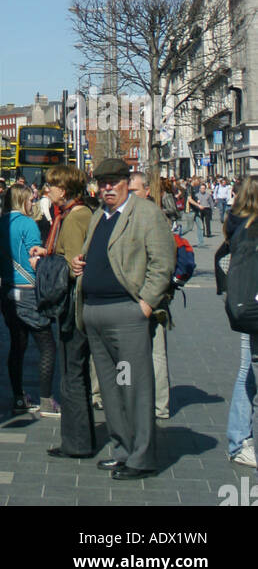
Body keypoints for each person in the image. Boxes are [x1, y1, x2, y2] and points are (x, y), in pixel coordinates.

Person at [72, 156, 176, 479]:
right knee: (112, 388)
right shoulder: (98, 217)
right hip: (95, 315)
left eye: (113, 184)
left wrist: (144, 306)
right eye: (102, 185)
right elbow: (93, 256)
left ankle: (141, 457)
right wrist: (79, 266)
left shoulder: (145, 214)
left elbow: (163, 263)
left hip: (127, 315)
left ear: (126, 183)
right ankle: (121, 449)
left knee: (135, 387)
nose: (107, 189)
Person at [40, 164, 96, 459]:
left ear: (64, 189)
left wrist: (47, 264)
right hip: (75, 305)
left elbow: (74, 266)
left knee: (71, 374)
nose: (46, 190)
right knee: (76, 372)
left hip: (73, 308)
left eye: (51, 185)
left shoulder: (74, 218)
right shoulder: (76, 213)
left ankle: (76, 442)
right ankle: (81, 438)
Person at [0, 184, 59, 416]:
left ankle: (19, 398)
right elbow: (33, 255)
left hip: (8, 290)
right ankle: (47, 400)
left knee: (17, 345)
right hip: (29, 290)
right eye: (30, 200)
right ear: (22, 201)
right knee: (47, 345)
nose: (33, 204)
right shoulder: (28, 224)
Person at [214, 175, 258, 468]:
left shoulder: (235, 222)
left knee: (247, 370)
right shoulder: (253, 229)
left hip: (244, 305)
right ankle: (240, 439)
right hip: (253, 304)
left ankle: (239, 439)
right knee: (248, 371)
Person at [129, 170, 175, 420]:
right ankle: (126, 395)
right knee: (124, 356)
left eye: (134, 190)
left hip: (150, 300)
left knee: (156, 353)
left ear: (146, 191)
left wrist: (148, 300)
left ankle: (159, 404)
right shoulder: (127, 216)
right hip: (129, 298)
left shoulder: (154, 217)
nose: (130, 195)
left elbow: (163, 264)